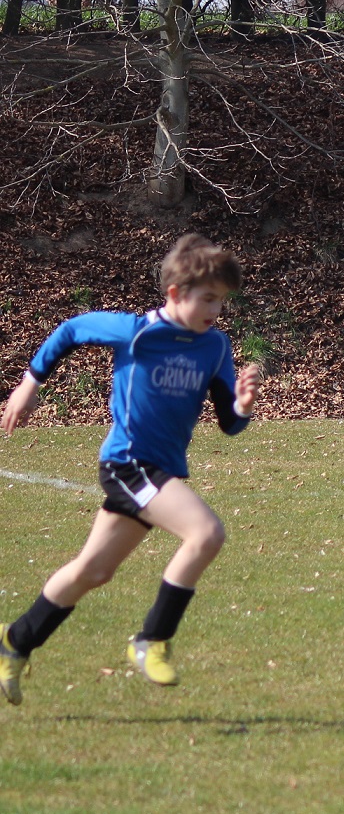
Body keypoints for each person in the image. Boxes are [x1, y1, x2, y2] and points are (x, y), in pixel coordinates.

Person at [0, 234, 265, 702]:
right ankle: (151, 640)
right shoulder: (135, 332)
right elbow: (71, 330)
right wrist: (29, 384)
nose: (215, 310)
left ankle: (15, 642)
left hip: (159, 473)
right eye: (207, 299)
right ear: (176, 294)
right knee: (206, 533)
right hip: (128, 463)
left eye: (221, 301)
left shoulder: (215, 347)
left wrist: (242, 405)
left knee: (91, 572)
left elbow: (228, 424)